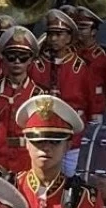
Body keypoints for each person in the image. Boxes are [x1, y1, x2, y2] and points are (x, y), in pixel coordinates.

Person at [34, 9, 98, 155]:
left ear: (69, 38)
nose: (54, 39)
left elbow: (91, 101)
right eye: (51, 34)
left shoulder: (81, 67)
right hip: (44, 133)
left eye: (59, 34)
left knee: (70, 175)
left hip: (73, 134)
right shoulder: (37, 65)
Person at [0, 26, 42, 173]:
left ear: (31, 59)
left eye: (23, 57)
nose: (17, 61)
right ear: (3, 58)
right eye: (11, 57)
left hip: (26, 158)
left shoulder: (39, 94)